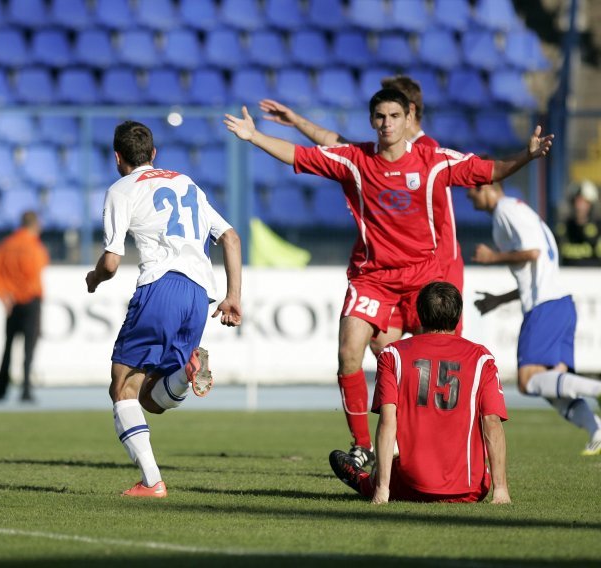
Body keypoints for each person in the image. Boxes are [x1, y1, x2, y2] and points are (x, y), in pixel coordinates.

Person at [224, 88, 553, 469]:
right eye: (380, 116)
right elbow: (302, 156)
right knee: (349, 352)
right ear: (372, 121)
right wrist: (255, 136)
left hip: (423, 277)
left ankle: (426, 444)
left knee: (416, 362)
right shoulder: (356, 160)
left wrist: (527, 156)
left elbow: (487, 170)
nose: (386, 123)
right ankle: (363, 445)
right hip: (373, 277)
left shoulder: (433, 161)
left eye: (393, 116)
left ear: (407, 118)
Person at [85, 121, 242, 498]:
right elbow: (231, 237)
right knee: (149, 400)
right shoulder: (187, 182)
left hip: (162, 285)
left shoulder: (121, 189)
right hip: (199, 296)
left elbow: (111, 261)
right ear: (153, 155)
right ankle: (186, 373)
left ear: (117, 157)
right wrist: (233, 295)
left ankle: (152, 482)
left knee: (122, 385)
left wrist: (93, 278)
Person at [260, 74, 463, 348]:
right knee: (384, 346)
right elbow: (338, 143)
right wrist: (297, 122)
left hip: (435, 266)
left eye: (393, 110)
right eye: (380, 113)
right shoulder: (383, 153)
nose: (384, 119)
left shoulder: (426, 150)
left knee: (435, 349)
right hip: (396, 268)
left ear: (409, 110)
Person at [330, 282, 511, 504]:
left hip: (410, 486)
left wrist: (382, 490)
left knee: (381, 473)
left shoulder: (393, 354)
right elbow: (492, 421)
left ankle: (365, 480)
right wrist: (500, 490)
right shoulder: (482, 358)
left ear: (419, 313)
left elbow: (388, 421)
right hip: (470, 490)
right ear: (458, 314)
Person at [468, 181, 601, 455]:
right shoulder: (519, 211)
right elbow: (533, 269)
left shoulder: (505, 210)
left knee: (528, 380)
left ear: (487, 186)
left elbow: (533, 253)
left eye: (472, 191)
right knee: (553, 385)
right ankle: (596, 430)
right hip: (561, 303)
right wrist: (499, 299)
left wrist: (493, 257)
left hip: (545, 306)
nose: (470, 199)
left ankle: (596, 388)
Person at [0, 210, 49, 402]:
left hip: (11, 301)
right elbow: (36, 272)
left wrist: (5, 295)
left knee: (7, 346)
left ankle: (0, 389)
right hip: (30, 300)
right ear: (35, 225)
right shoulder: (35, 247)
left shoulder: (6, 245)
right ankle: (25, 389)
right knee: (29, 348)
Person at [555, 179, 601, 266]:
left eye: (584, 202)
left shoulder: (598, 229)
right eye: (577, 201)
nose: (579, 206)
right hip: (566, 276)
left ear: (591, 204)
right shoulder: (563, 228)